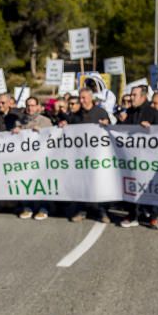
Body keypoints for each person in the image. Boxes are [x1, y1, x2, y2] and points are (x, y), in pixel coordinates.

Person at [59, 88, 110, 223]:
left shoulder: (101, 112)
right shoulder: (76, 114)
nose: (81, 101)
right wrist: (64, 124)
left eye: (84, 98)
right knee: (82, 183)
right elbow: (69, 128)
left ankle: (101, 211)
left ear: (91, 98)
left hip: (98, 156)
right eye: (80, 98)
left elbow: (111, 130)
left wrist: (107, 124)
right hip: (80, 157)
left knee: (98, 184)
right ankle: (81, 211)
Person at [119, 86, 158, 229]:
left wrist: (151, 129)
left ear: (143, 97)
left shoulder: (153, 113)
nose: (131, 97)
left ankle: (154, 217)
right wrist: (121, 122)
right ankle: (132, 214)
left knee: (151, 185)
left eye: (134, 95)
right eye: (131, 95)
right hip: (133, 158)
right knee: (132, 185)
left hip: (150, 159)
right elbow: (120, 134)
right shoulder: (129, 112)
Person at [14, 96, 53, 220]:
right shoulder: (19, 122)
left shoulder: (45, 121)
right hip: (25, 159)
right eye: (28, 105)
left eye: (32, 105)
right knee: (26, 182)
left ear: (37, 107)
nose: (30, 108)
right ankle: (28, 207)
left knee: (41, 183)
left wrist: (42, 131)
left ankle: (43, 208)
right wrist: (14, 133)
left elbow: (52, 138)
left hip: (41, 158)